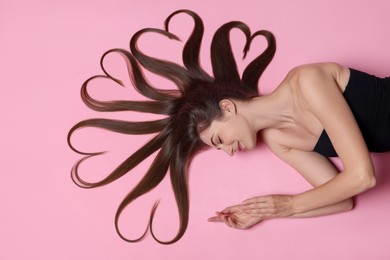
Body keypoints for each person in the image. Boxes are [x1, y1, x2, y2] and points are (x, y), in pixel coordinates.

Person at [68, 9, 390, 244]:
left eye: (219, 139)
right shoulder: (280, 140)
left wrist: (290, 203)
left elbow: (362, 176)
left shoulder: (306, 81)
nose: (228, 152)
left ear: (228, 107)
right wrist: (266, 212)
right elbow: (341, 198)